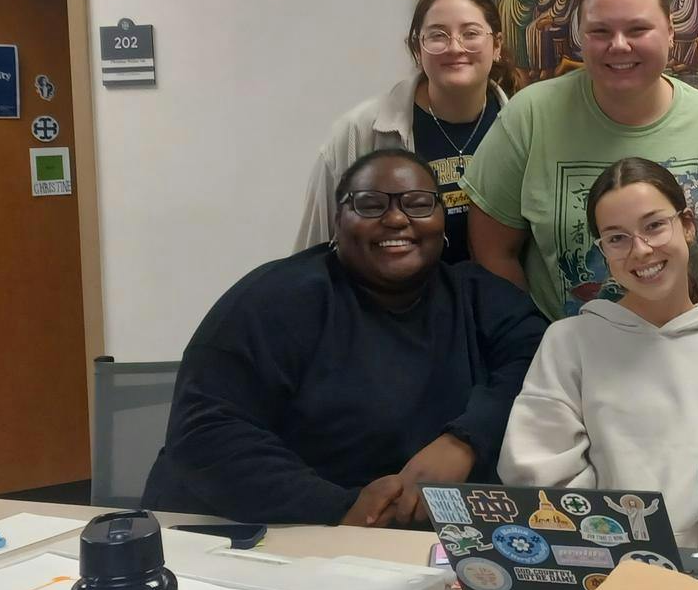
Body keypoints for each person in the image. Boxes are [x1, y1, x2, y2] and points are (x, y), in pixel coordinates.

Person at [147, 149, 548, 526]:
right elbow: (205, 432)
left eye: (418, 203)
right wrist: (339, 509)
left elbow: (537, 363)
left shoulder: (477, 296)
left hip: (410, 544)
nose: (396, 219)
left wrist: (465, 441)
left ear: (442, 222)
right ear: (337, 222)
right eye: (370, 204)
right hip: (265, 532)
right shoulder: (276, 298)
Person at [498, 158, 698, 552]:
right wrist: (609, 552)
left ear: (687, 225)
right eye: (617, 238)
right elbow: (539, 471)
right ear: (603, 251)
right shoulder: (569, 344)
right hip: (604, 573)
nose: (641, 250)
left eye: (654, 225)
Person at [463, 0, 698, 319]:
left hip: (678, 354)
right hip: (559, 356)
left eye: (638, 29)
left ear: (671, 33)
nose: (619, 45)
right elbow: (492, 253)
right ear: (580, 37)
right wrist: (537, 342)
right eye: (600, 32)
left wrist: (688, 339)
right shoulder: (529, 116)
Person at [295, 0, 511, 262]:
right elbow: (313, 253)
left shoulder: (522, 126)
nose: (455, 47)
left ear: (496, 45)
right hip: (388, 304)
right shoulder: (357, 132)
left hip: (498, 302)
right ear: (416, 49)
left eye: (470, 33)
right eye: (438, 35)